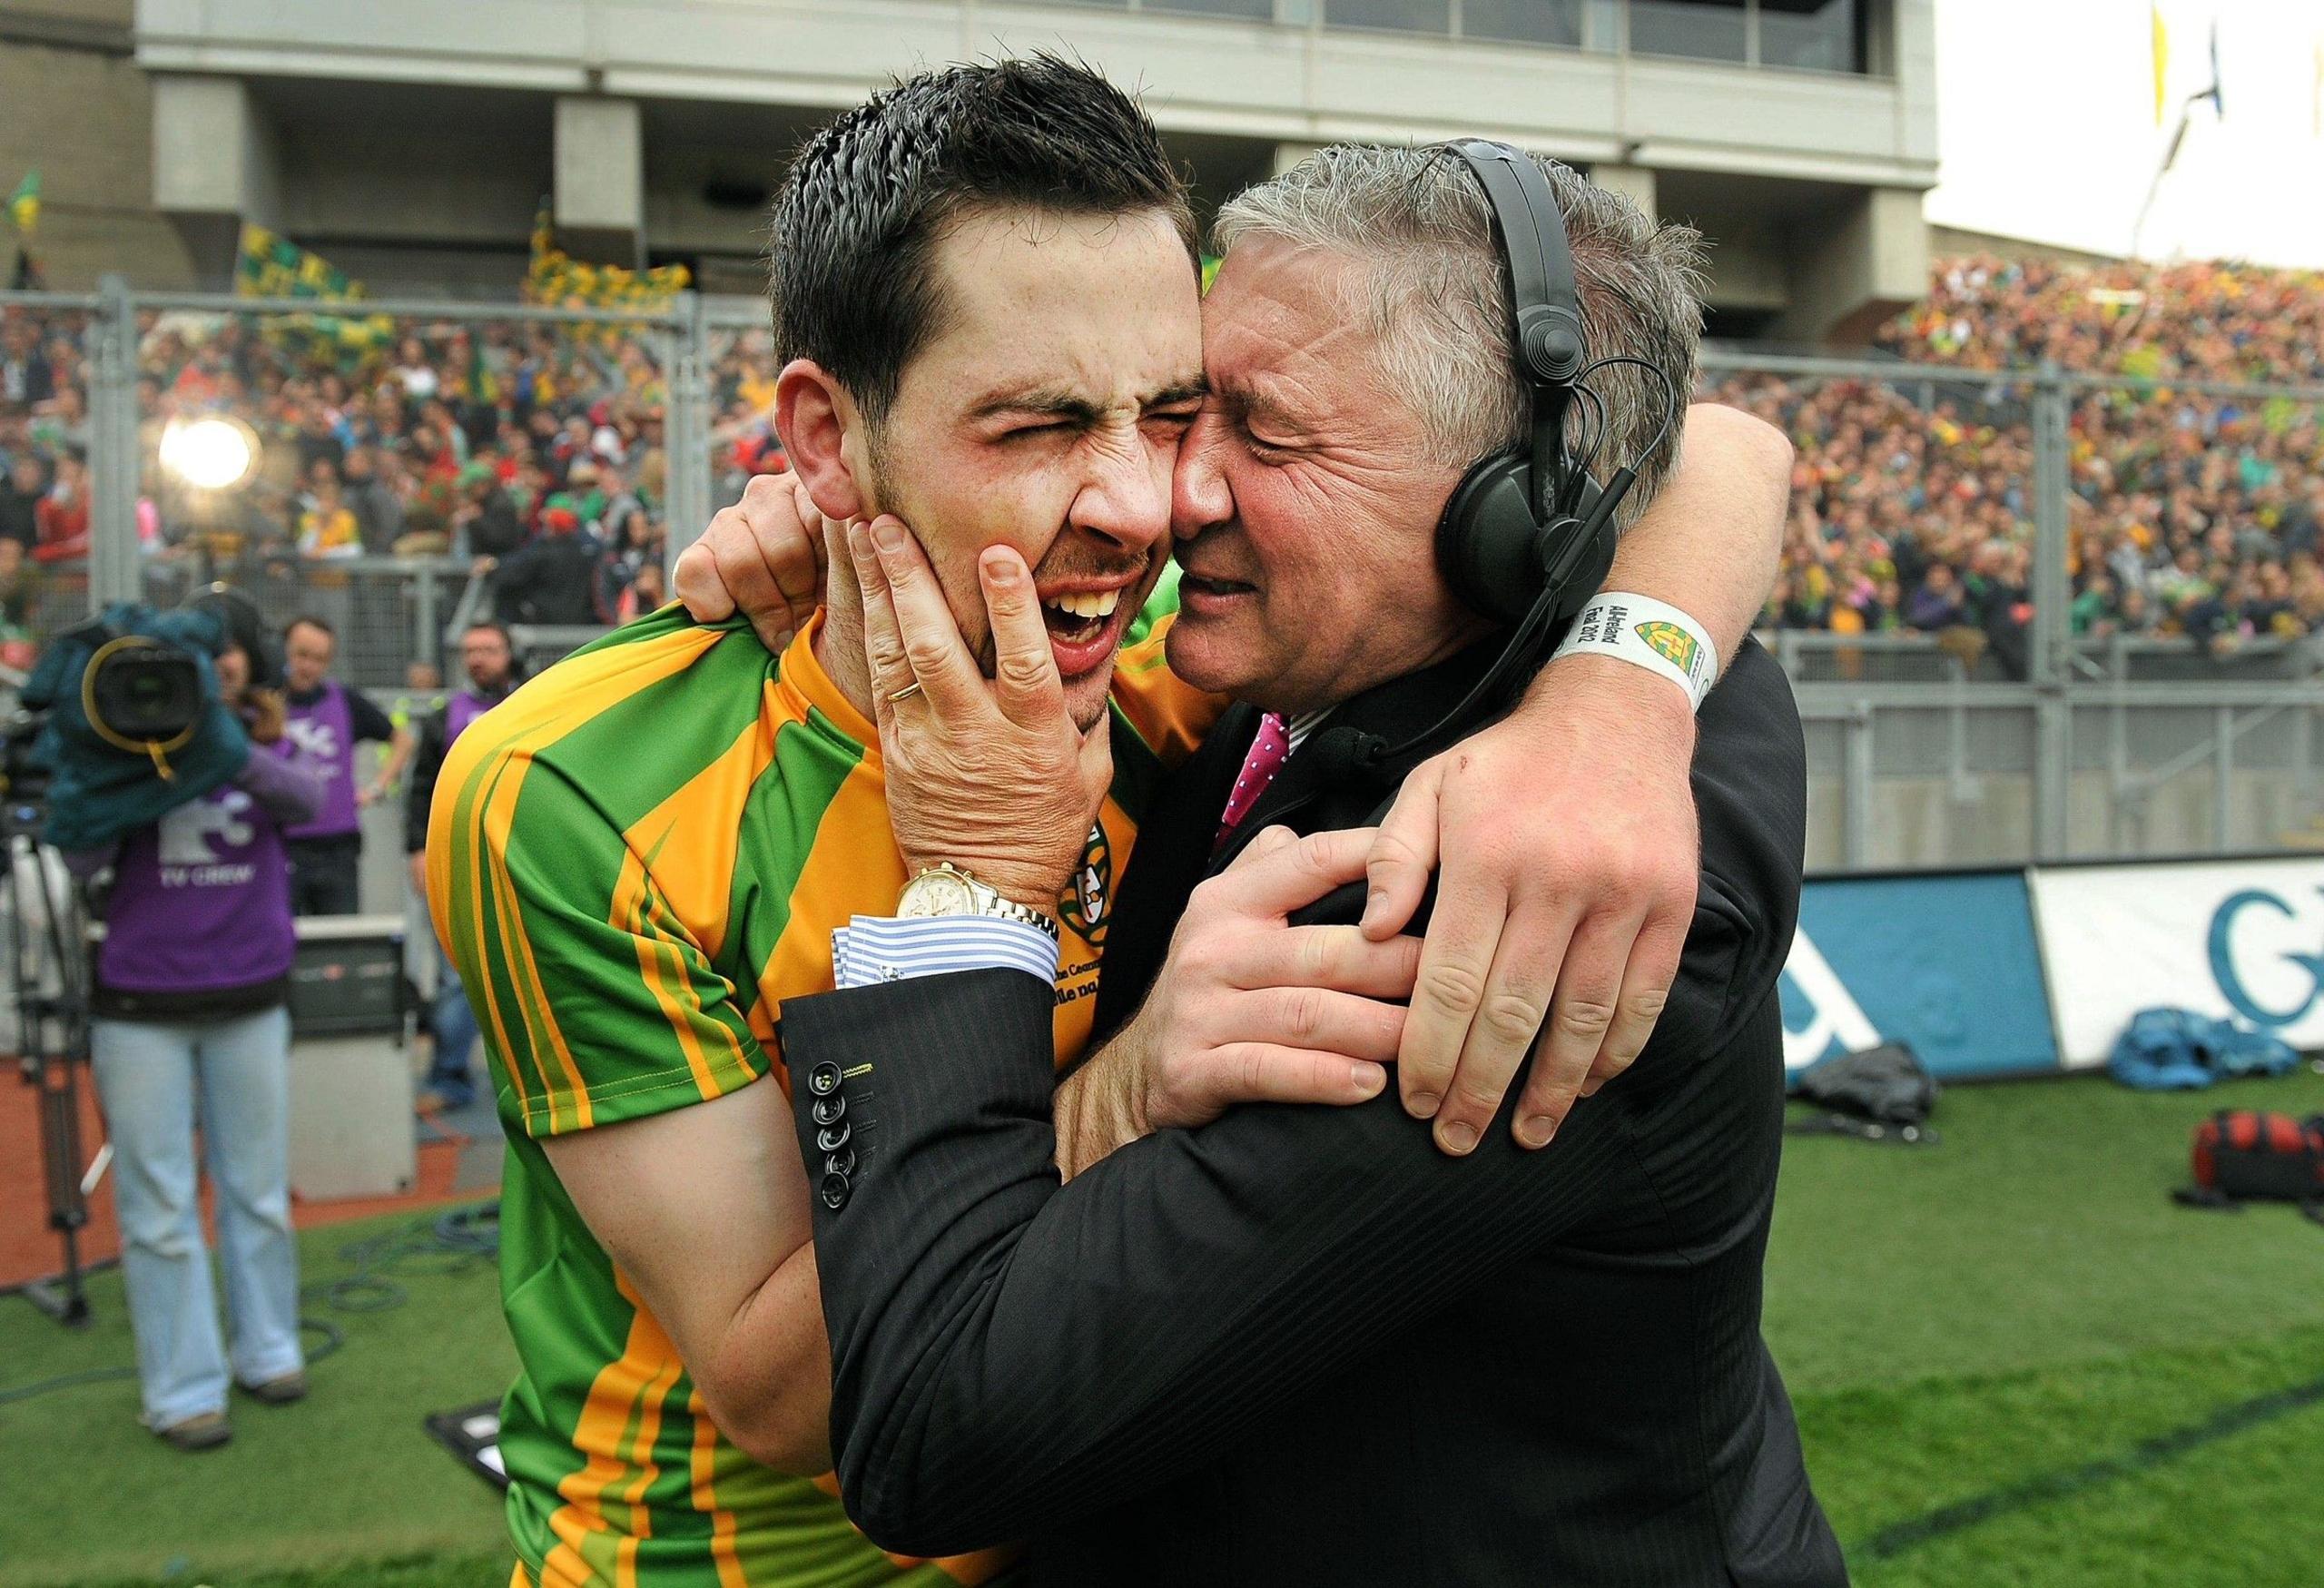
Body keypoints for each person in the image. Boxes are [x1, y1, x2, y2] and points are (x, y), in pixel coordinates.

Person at [439, 60, 1790, 1588]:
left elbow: (1714, 444)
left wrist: (1614, 699)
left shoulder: (1209, 698)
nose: (1150, 502)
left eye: (1181, 411)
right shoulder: (574, 786)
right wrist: (1129, 1074)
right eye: (1037, 423)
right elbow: (769, 1393)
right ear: (821, 438)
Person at [759, 143, 1840, 1583]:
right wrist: (881, 500)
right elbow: (1719, 448)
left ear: (1514, 514)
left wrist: (972, 894)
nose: (1167, 494)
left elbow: (934, 1424)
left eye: (1262, 436)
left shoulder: (1499, 908)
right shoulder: (1464, 674)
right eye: (1191, 404)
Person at [69, 624, 326, 1452]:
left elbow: (310, 800)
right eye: (196, 664)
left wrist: (222, 744)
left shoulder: (258, 747)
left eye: (228, 655)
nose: (216, 670)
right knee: (158, 1206)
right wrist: (127, 763)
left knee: (257, 1190)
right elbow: (76, 857)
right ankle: (183, 1389)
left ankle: (270, 1350)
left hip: (249, 995)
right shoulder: (123, 748)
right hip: (140, 1005)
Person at [405, 620, 517, 1112]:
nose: (478, 659)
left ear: (509, 654)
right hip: (458, 864)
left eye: (489, 649)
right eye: (471, 650)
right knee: (455, 977)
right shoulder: (443, 717)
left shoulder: (538, 703)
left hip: (522, 861)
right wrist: (416, 850)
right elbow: (420, 789)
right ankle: (450, 1079)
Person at [276, 616, 415, 915]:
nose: (308, 666)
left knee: (340, 945)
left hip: (338, 846)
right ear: (283, 650)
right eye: (301, 655)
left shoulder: (344, 701)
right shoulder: (267, 704)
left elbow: (402, 741)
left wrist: (376, 789)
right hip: (281, 843)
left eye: (319, 659)